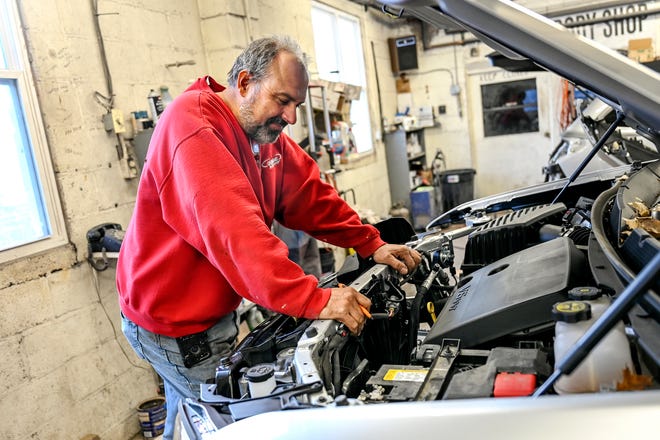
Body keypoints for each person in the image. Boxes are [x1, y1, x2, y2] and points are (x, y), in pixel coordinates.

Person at [116, 35, 421, 439]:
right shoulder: (193, 127)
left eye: (296, 103)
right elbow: (236, 232)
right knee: (235, 423)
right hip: (174, 321)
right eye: (282, 101)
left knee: (190, 413)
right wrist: (315, 299)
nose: (291, 117)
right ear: (244, 83)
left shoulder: (262, 135)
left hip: (210, 311)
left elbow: (309, 194)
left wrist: (370, 242)